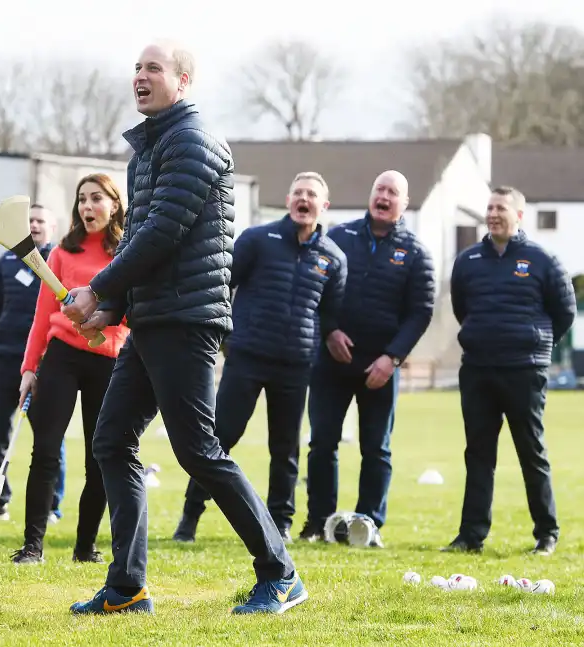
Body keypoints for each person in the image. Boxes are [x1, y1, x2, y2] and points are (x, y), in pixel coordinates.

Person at [60, 41, 306, 615]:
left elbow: (163, 233)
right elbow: (147, 247)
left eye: (153, 68)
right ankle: (127, 587)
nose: (139, 77)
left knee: (198, 450)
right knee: (111, 438)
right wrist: (113, 310)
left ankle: (281, 572)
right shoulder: (147, 150)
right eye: (136, 68)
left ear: (184, 80)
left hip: (186, 320)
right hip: (151, 320)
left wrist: (99, 289)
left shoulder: (192, 142)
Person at [173, 171, 347, 544]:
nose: (304, 199)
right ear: (288, 201)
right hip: (247, 359)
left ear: (323, 206)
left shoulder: (333, 258)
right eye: (297, 192)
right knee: (218, 439)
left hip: (296, 366)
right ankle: (189, 518)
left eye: (311, 194)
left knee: (285, 450)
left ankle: (280, 523)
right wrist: (224, 337)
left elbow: (330, 316)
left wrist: (331, 339)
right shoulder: (257, 240)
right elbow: (223, 285)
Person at [300, 170, 436, 547]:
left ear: (404, 204)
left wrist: (392, 358)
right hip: (331, 362)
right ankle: (320, 522)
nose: (385, 197)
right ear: (370, 194)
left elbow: (421, 312)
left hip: (380, 368)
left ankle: (367, 524)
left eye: (393, 192)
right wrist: (328, 331)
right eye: (380, 189)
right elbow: (317, 289)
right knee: (322, 443)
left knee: (376, 448)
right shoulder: (338, 237)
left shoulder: (416, 252)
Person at [443, 186, 575, 556]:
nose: (493, 214)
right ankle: (470, 536)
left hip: (524, 371)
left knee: (531, 452)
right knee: (479, 454)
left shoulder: (543, 259)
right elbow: (461, 309)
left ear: (519, 215)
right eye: (489, 208)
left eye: (501, 208)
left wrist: (534, 343)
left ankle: (546, 534)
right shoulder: (467, 261)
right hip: (478, 371)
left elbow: (563, 313)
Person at [11, 173, 130, 565]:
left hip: (108, 361)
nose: (87, 206)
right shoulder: (62, 252)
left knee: (100, 456)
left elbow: (131, 312)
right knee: (45, 450)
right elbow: (42, 315)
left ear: (114, 205)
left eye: (96, 198)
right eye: (82, 199)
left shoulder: (128, 252)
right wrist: (30, 368)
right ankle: (32, 547)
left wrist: (104, 323)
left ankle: (85, 547)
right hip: (61, 357)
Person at [0, 204, 65, 522]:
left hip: (43, 363)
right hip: (4, 360)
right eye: (30, 220)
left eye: (40, 220)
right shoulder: (7, 260)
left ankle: (51, 506)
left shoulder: (58, 260)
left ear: (52, 227)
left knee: (48, 436)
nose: (34, 225)